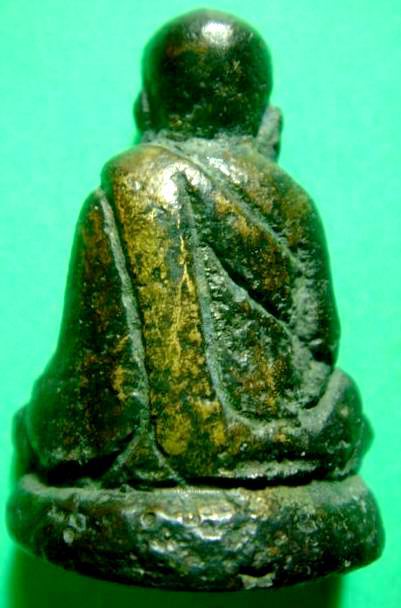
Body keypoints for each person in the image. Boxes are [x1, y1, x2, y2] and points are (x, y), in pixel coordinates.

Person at [18, 9, 370, 487]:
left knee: (38, 423)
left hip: (156, 452)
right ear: (270, 124)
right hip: (283, 434)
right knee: (344, 397)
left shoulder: (129, 186)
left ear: (144, 111)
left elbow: (90, 365)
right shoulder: (295, 203)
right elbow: (321, 343)